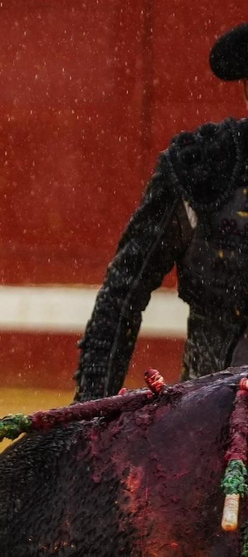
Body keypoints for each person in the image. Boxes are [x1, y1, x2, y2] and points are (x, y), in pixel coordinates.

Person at [76, 23, 248, 401]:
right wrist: (89, 411)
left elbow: (123, 291)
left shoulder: (202, 171)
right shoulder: (200, 171)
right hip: (207, 420)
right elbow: (123, 292)